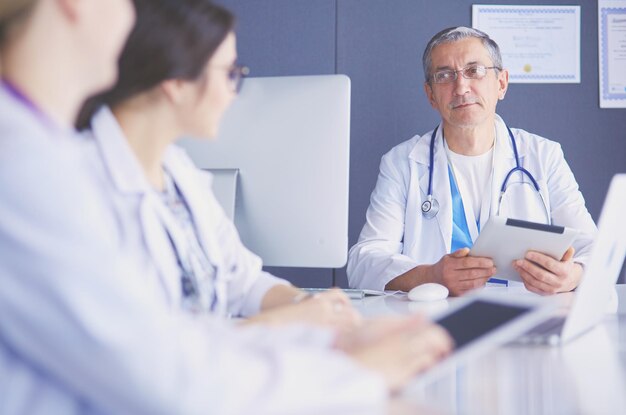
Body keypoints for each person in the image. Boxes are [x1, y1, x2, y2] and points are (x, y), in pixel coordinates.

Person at [0, 1, 452, 413]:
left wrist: (321, 332)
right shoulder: (30, 167)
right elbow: (163, 371)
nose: (129, 21)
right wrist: (355, 368)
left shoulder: (158, 168)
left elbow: (200, 316)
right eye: (229, 74)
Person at [74, 0, 357, 330]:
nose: (233, 94)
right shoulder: (83, 184)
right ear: (177, 79)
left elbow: (243, 281)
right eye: (230, 74)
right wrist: (286, 323)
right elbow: (146, 349)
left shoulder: (178, 172)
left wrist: (310, 306)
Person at [347, 26, 597, 297]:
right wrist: (431, 275)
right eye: (444, 75)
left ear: (501, 83)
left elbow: (593, 247)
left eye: (474, 71)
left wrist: (573, 275)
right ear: (431, 95)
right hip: (432, 327)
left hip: (526, 318)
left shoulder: (543, 156)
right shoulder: (402, 163)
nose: (461, 87)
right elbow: (363, 262)